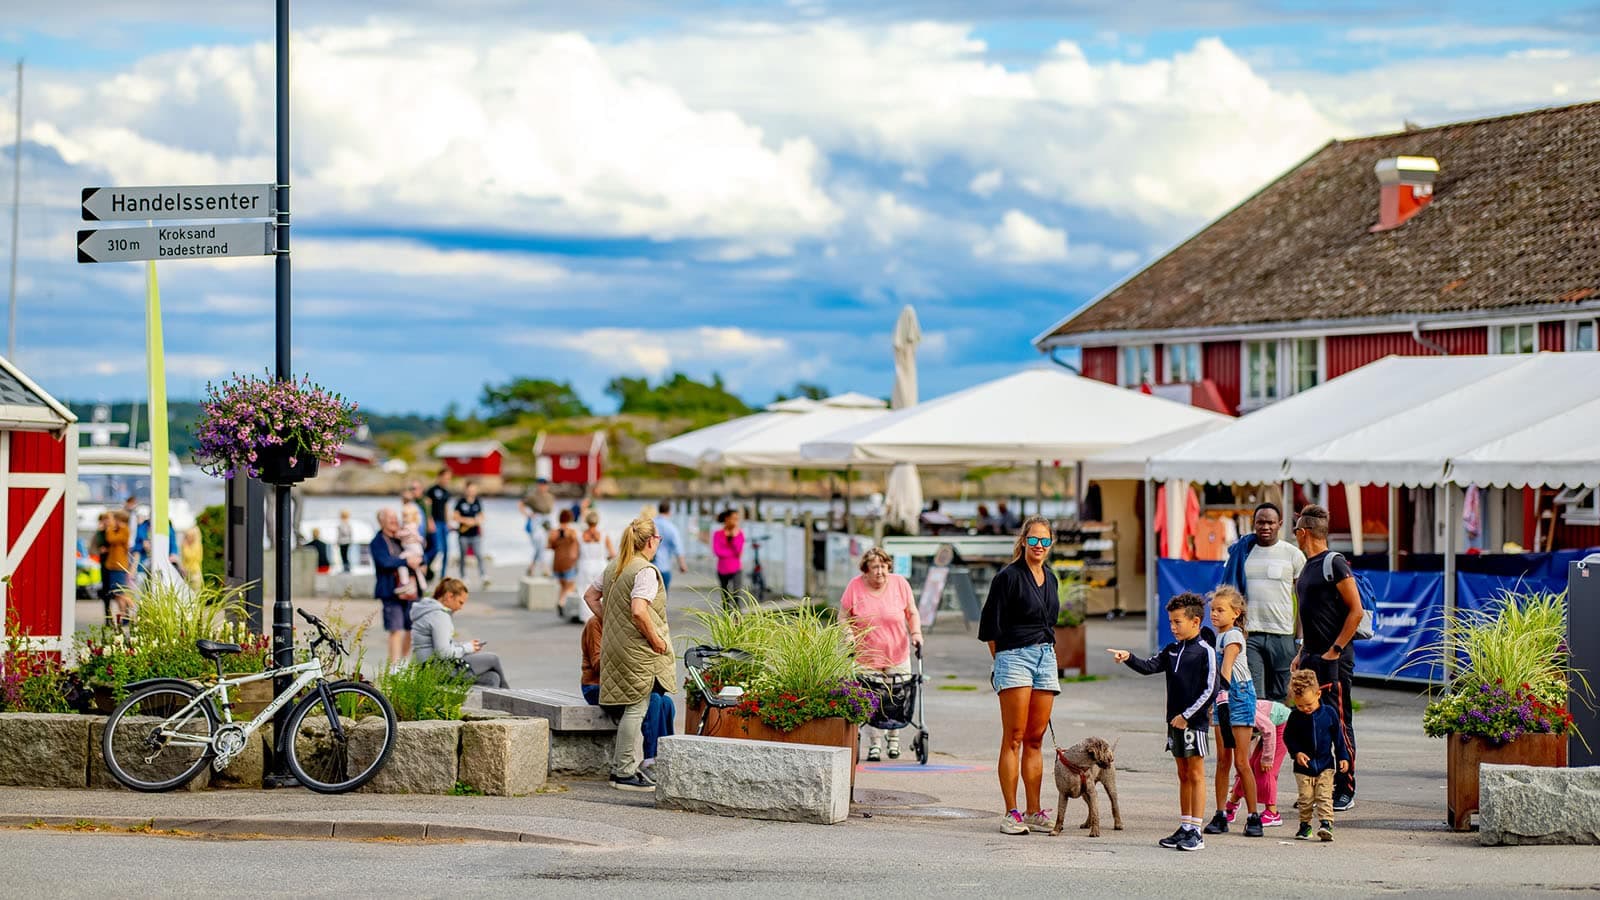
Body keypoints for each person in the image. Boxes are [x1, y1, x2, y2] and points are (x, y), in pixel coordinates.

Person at [1108, 592, 1217, 852]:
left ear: (1195, 622)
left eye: (1178, 622)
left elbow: (1211, 688)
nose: (1173, 627)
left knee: (1196, 773)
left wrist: (1187, 716)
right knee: (1182, 774)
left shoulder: (1206, 651)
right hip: (1174, 723)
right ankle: (1186, 825)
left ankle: (1197, 832)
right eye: (1170, 622)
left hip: (1193, 723)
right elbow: (1149, 667)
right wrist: (1129, 657)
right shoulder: (1172, 650)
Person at [977, 516, 1060, 836]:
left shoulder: (1050, 579)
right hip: (1014, 656)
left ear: (1051, 544)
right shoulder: (1007, 577)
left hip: (1045, 657)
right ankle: (1011, 812)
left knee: (1035, 739)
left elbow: (1049, 622)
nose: (1039, 546)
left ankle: (1033, 810)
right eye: (1034, 540)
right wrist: (1004, 661)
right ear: (1024, 541)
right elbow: (990, 630)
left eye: (1045, 541)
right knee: (1013, 736)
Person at [583, 515, 674, 792]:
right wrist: (655, 640)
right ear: (649, 541)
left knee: (638, 704)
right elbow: (638, 610)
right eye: (657, 538)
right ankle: (622, 771)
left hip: (616, 649)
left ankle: (635, 766)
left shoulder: (614, 567)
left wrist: (610, 621)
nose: (658, 542)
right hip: (638, 650)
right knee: (636, 706)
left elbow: (589, 596)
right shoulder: (645, 571)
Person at [1292, 504, 1362, 812]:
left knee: (1338, 723)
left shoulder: (1334, 563)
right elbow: (1311, 616)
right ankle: (1317, 788)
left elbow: (1356, 611)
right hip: (1310, 658)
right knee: (1310, 722)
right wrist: (1300, 653)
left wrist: (1334, 650)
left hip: (1334, 660)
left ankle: (1345, 789)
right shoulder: (1307, 567)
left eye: (1296, 532)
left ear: (1302, 533)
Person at [840, 546, 923, 761]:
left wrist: (916, 633)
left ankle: (893, 739)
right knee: (870, 699)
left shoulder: (900, 584)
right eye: (875, 567)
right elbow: (843, 616)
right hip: (866, 655)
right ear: (865, 570)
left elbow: (911, 611)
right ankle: (874, 743)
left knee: (897, 695)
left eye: (884, 566)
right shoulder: (855, 587)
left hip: (897, 651)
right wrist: (848, 635)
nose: (880, 571)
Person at [1220, 502, 1306, 702]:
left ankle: (1277, 734)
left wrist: (1300, 638)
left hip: (1283, 636)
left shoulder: (1293, 554)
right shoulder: (1242, 553)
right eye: (1260, 522)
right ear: (1254, 523)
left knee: (1282, 696)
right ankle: (1257, 733)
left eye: (1270, 523)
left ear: (1280, 524)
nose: (1265, 527)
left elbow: (1303, 600)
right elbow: (1230, 592)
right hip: (1251, 635)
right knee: (1255, 696)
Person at [579, 608, 675, 767]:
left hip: (630, 685)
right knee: (653, 701)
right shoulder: (595, 623)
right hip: (598, 687)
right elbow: (598, 665)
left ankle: (664, 758)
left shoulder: (633, 623)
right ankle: (651, 760)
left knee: (666, 702)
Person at [1202, 586, 1261, 837]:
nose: (1214, 614)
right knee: (1223, 760)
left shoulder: (1233, 636)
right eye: (1212, 610)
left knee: (1241, 762)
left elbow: (1225, 670)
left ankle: (1253, 815)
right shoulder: (1217, 637)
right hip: (1222, 698)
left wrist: (1214, 697)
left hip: (1238, 696)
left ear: (1236, 613)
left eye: (1220, 610)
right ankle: (1220, 814)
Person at [1284, 669, 1349, 842]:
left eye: (1308, 705)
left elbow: (1338, 737)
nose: (1305, 709)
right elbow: (1288, 737)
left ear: (1318, 694)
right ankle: (1305, 826)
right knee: (1305, 798)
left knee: (1324, 796)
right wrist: (1296, 753)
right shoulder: (1295, 717)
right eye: (1299, 705)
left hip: (1326, 764)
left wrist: (1343, 756)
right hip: (1303, 767)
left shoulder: (1329, 713)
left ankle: (1326, 824)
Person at [411, 577, 509, 688]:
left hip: (427, 669)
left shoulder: (429, 611)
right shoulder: (439, 616)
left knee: (492, 678)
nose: (461, 607)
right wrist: (466, 648)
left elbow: (442, 646)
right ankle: (512, 696)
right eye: (460, 602)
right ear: (449, 596)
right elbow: (443, 653)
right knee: (493, 659)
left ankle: (494, 703)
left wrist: (464, 645)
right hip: (436, 670)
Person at [1228, 699, 1291, 829]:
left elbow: (1269, 729)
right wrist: (1238, 777)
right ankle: (1232, 804)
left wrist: (1267, 758)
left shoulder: (1245, 711)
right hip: (1267, 729)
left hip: (1281, 725)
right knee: (1250, 766)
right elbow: (1244, 756)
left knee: (1265, 769)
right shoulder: (1227, 718)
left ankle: (1273, 812)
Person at [370, 508, 419, 668]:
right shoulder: (377, 542)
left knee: (412, 628)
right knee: (395, 629)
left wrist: (420, 561)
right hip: (391, 591)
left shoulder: (402, 538)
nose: (395, 521)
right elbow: (384, 562)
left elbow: (419, 550)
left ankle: (404, 662)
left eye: (395, 518)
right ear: (381, 521)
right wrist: (405, 562)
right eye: (390, 518)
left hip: (411, 590)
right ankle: (394, 666)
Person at [574, 510, 616, 623]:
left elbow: (575, 554)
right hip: (600, 565)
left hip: (585, 565)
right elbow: (612, 553)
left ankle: (586, 618)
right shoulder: (603, 535)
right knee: (601, 591)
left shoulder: (580, 536)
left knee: (584, 591)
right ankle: (600, 616)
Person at [454, 481, 488, 589]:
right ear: (466, 490)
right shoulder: (460, 501)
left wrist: (478, 522)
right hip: (463, 534)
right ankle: (463, 576)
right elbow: (455, 516)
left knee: (478, 554)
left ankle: (483, 576)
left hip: (475, 533)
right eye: (470, 489)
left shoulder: (478, 501)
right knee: (463, 555)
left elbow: (481, 516)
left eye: (473, 489)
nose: (471, 491)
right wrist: (466, 520)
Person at [549, 509, 582, 616]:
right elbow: (577, 545)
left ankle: (561, 603)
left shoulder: (554, 532)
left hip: (557, 563)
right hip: (569, 562)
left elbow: (550, 546)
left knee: (563, 586)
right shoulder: (572, 532)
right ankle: (561, 602)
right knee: (570, 586)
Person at [104, 510, 133, 626]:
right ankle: (124, 615)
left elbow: (111, 539)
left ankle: (131, 606)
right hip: (114, 565)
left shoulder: (124, 530)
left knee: (120, 593)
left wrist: (110, 527)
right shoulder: (121, 530)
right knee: (117, 594)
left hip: (119, 566)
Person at [652, 500, 689, 592]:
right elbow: (678, 548)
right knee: (662, 597)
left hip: (649, 565)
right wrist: (682, 565)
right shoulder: (671, 528)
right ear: (669, 511)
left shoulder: (650, 524)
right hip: (663, 567)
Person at [712, 508, 745, 602]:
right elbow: (717, 551)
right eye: (734, 519)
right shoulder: (718, 534)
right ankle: (726, 615)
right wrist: (731, 553)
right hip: (722, 569)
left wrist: (734, 537)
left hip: (736, 569)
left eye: (737, 519)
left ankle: (737, 616)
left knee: (737, 595)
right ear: (727, 519)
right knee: (725, 596)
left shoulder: (740, 534)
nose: (736, 522)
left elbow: (739, 552)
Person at [424, 471, 452, 575]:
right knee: (437, 548)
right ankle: (425, 564)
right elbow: (427, 506)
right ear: (440, 477)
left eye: (449, 478)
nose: (447, 480)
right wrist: (429, 520)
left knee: (445, 550)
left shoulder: (446, 492)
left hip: (443, 523)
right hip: (435, 522)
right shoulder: (432, 490)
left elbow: (446, 508)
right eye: (445, 478)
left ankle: (443, 575)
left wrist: (448, 523)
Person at [398, 504, 429, 595]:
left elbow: (408, 533)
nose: (403, 517)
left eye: (405, 515)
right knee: (417, 569)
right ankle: (423, 585)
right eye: (403, 515)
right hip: (415, 549)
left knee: (401, 559)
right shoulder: (411, 524)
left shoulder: (410, 525)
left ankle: (404, 581)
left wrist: (398, 533)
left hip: (413, 549)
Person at [336, 509, 354, 574]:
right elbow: (350, 534)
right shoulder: (348, 524)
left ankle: (345, 568)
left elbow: (340, 535)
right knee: (346, 555)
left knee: (343, 555)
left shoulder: (341, 524)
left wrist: (337, 542)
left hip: (342, 542)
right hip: (347, 541)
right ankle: (347, 567)